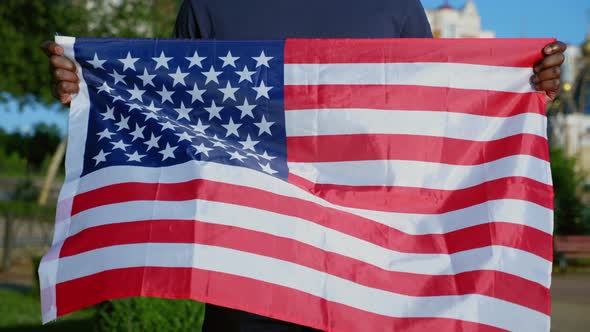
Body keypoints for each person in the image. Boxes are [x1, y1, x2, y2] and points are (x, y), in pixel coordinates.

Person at [41, 1, 566, 331]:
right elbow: (169, 111)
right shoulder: (209, 3)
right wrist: (89, 83)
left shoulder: (393, 3)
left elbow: (439, 124)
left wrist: (525, 85)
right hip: (245, 278)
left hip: (369, 283)